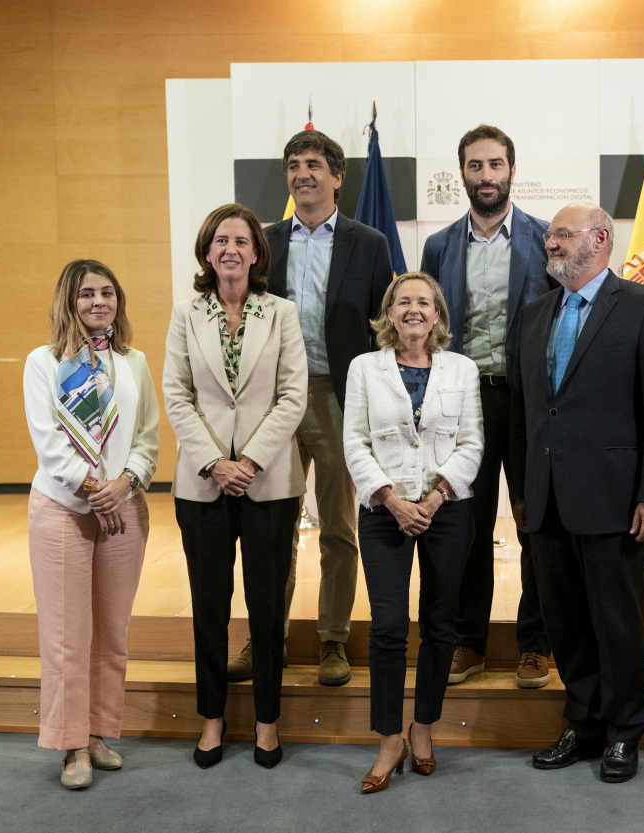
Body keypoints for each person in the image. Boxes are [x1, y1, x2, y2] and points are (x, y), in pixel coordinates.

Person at [509, 203, 644, 783]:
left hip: (617, 501)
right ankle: (582, 725)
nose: (551, 244)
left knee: (615, 621)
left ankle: (624, 732)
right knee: (565, 621)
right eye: (551, 236)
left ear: (600, 239)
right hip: (548, 498)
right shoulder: (533, 314)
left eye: (562, 235)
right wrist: (521, 494)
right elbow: (524, 414)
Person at [227, 129, 393, 688]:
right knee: (269, 525)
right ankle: (265, 636)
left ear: (337, 176)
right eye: (294, 164)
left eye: (315, 164)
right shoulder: (264, 241)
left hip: (340, 397)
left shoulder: (368, 243)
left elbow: (382, 328)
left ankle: (333, 639)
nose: (304, 173)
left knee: (339, 527)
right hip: (272, 400)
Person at [163, 203, 308, 770]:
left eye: (241, 241)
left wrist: (247, 460)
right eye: (220, 240)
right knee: (209, 607)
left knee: (267, 608)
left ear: (256, 252)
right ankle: (212, 719)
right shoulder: (185, 315)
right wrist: (214, 463)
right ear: (207, 251)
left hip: (268, 482)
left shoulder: (283, 314)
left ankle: (268, 722)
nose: (230, 249)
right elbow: (177, 394)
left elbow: (292, 396)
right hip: (202, 486)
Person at [420, 124, 555, 689]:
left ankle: (535, 644)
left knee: (535, 523)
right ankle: (467, 642)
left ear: (512, 171)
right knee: (465, 526)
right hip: (461, 403)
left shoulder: (545, 239)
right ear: (463, 175)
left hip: (526, 402)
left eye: (495, 165)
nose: (486, 176)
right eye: (475, 167)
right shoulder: (440, 246)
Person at [343, 272, 483, 793]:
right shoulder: (364, 368)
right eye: (404, 302)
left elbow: (472, 443)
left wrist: (433, 497)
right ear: (389, 313)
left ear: (439, 315)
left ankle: (422, 727)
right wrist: (394, 501)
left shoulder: (463, 370)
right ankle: (388, 738)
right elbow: (354, 442)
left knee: (443, 622)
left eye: (424, 302)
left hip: (445, 509)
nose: (414, 310)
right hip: (384, 510)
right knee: (387, 626)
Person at [23, 258, 159, 789]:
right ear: (68, 301)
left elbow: (147, 437)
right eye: (87, 294)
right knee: (65, 635)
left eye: (107, 293)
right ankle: (70, 744)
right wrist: (91, 490)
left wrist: (123, 485)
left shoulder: (134, 362)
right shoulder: (43, 362)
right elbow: (48, 441)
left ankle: (99, 733)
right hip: (63, 508)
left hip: (123, 506)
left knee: (111, 633)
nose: (98, 302)